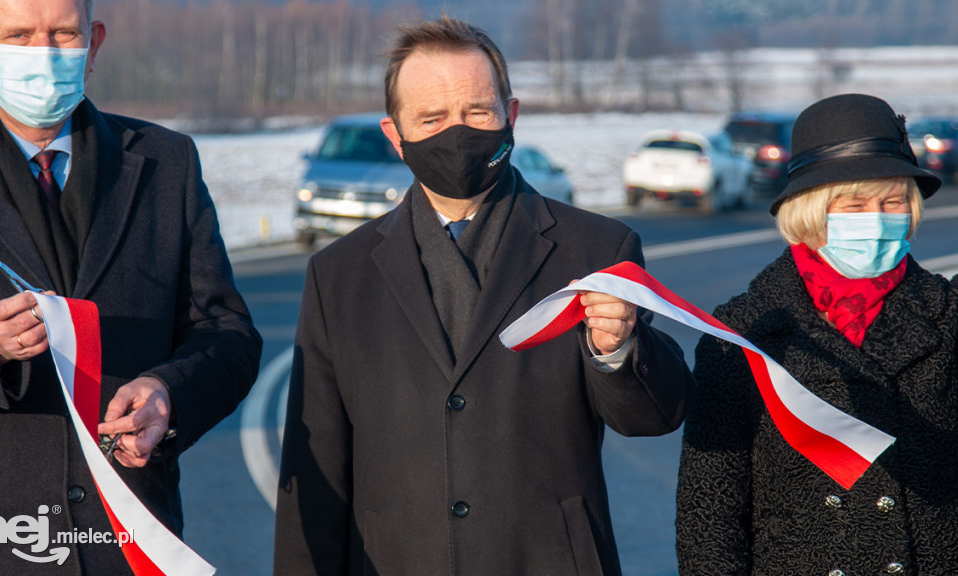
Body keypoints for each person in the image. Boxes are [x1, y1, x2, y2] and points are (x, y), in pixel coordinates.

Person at [274, 15, 694, 576]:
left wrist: (617, 349)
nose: (458, 133)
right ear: (395, 135)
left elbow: (653, 416)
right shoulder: (338, 274)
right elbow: (316, 464)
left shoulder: (596, 248)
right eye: (431, 118)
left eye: (477, 112)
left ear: (510, 115)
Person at [0, 0, 262, 573]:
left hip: (126, 542)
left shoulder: (166, 162)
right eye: (19, 34)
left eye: (63, 33)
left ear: (93, 44)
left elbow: (227, 334)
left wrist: (169, 392)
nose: (44, 54)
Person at [676, 93, 958, 575]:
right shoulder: (742, 333)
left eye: (893, 201)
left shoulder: (955, 310)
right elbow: (708, 514)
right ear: (810, 211)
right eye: (855, 203)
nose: (879, 218)